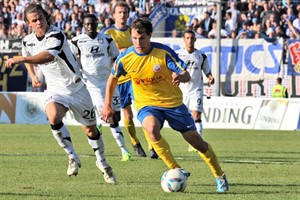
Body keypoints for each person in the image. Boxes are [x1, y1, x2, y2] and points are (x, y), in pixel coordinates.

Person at [101, 17, 229, 193]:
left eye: (142, 38)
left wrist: (180, 77)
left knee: (196, 141)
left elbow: (186, 74)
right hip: (147, 104)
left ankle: (219, 175)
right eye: (135, 38)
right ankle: (176, 169)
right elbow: (112, 79)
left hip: (173, 103)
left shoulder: (163, 53)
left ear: (150, 36)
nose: (138, 42)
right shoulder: (125, 57)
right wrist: (107, 104)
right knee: (151, 128)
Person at [5, 4, 116, 184]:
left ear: (46, 17)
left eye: (41, 18)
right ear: (28, 23)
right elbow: (26, 51)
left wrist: (22, 59)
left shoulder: (56, 34)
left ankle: (103, 163)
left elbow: (47, 56)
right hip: (55, 89)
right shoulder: (28, 41)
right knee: (53, 115)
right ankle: (72, 156)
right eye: (34, 20)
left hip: (77, 88)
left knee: (90, 130)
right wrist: (33, 75)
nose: (39, 22)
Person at [70, 14, 132, 161]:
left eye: (92, 24)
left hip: (110, 82)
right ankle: (124, 151)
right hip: (93, 86)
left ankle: (98, 121)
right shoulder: (76, 41)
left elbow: (116, 58)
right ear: (83, 25)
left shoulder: (107, 39)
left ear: (97, 23)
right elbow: (71, 61)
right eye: (87, 24)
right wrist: (76, 75)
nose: (90, 27)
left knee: (116, 115)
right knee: (111, 118)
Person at [101, 1, 158, 159]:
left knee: (144, 111)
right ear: (113, 15)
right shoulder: (108, 33)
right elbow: (103, 54)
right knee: (128, 115)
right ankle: (134, 142)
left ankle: (151, 146)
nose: (122, 15)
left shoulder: (133, 31)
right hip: (119, 80)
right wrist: (121, 51)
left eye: (125, 12)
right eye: (119, 12)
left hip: (136, 78)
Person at [176, 30, 215, 151]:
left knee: (196, 115)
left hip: (196, 90)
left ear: (195, 39)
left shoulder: (201, 55)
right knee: (185, 119)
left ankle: (197, 144)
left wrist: (210, 77)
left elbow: (207, 71)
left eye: (192, 38)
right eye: (187, 38)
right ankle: (192, 139)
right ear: (184, 39)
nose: (190, 40)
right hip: (182, 92)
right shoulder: (177, 54)